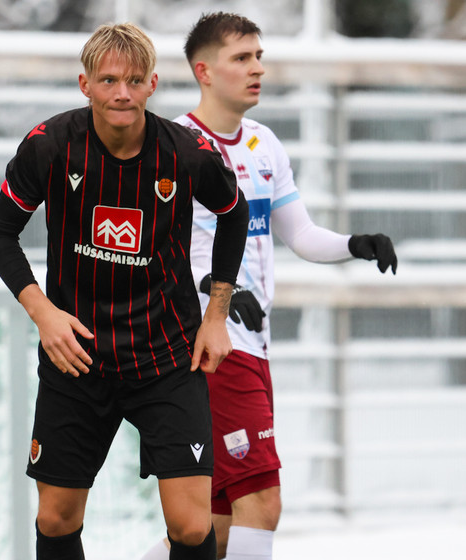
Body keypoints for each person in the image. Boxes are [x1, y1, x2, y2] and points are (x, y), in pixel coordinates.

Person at [0, 22, 249, 560]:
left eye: (134, 80)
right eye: (108, 80)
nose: (122, 93)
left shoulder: (187, 152)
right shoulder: (49, 145)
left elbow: (234, 212)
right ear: (85, 84)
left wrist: (216, 315)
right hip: (77, 357)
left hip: (166, 357)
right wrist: (44, 314)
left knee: (191, 525)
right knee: (56, 518)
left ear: (153, 84)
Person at [140, 12, 398, 560]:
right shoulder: (176, 147)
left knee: (212, 523)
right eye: (241, 58)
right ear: (204, 71)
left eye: (259, 56)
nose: (257, 68)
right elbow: (153, 251)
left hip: (253, 346)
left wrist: (356, 243)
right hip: (211, 347)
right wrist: (219, 290)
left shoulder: (264, 143)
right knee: (261, 501)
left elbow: (299, 234)